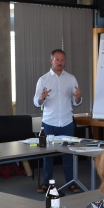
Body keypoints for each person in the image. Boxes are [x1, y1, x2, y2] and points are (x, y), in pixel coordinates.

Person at [34, 49, 83, 194]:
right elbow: (37, 102)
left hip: (67, 122)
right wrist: (42, 97)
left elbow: (77, 102)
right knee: (47, 155)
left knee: (68, 154)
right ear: (51, 61)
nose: (60, 62)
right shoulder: (43, 79)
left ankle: (71, 182)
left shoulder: (71, 78)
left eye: (62, 60)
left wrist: (79, 97)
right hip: (49, 122)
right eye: (57, 60)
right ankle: (46, 183)